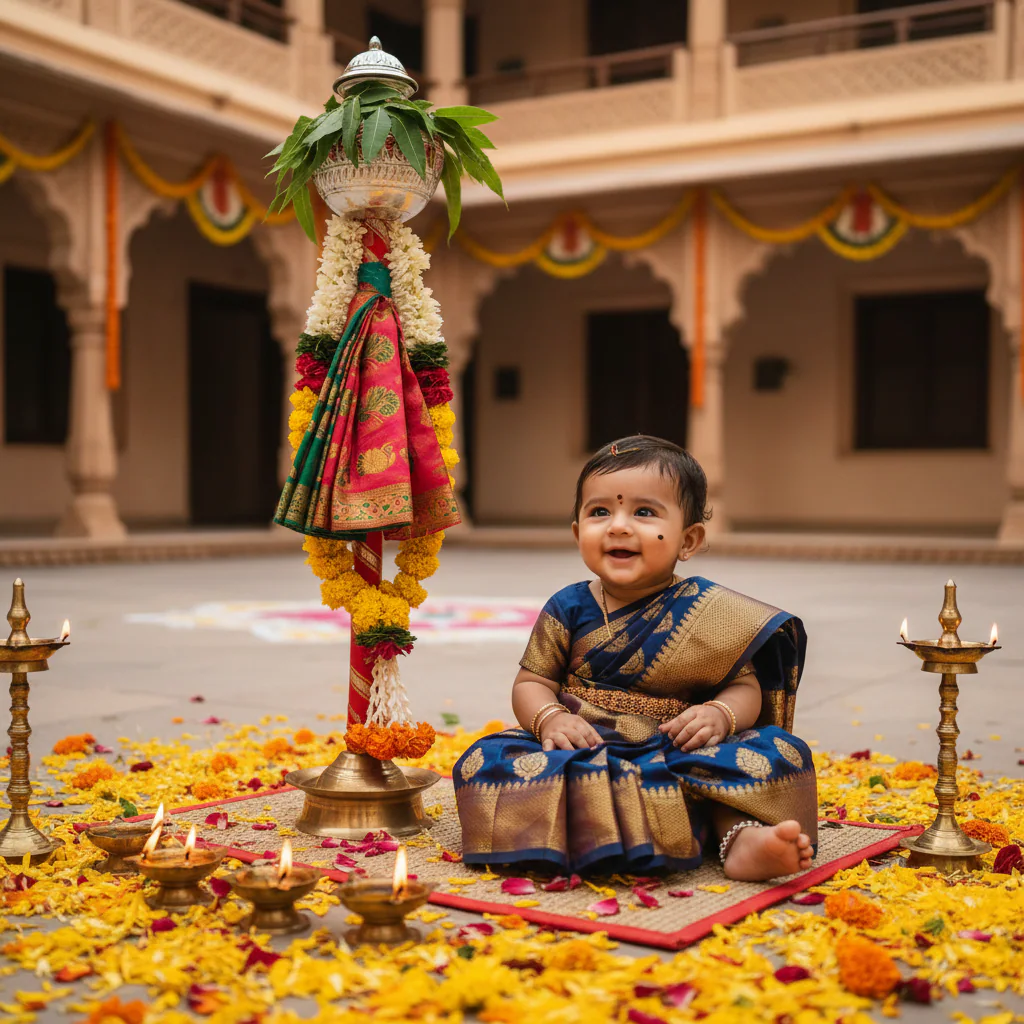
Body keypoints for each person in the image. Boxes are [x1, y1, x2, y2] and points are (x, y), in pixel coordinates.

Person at [453, 435, 817, 880]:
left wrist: (720, 715)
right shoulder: (567, 607)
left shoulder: (713, 613)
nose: (618, 526)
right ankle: (585, 834)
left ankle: (739, 839)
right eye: (599, 512)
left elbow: (745, 686)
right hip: (586, 745)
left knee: (775, 752)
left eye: (644, 512)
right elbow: (532, 683)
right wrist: (550, 720)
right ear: (577, 533)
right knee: (490, 757)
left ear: (688, 540)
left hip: (677, 746)